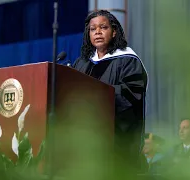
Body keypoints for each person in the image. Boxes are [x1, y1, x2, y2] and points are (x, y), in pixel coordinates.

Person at [72, 10, 148, 179]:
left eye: (103, 27)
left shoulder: (128, 60)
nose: (97, 32)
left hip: (116, 143)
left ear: (114, 32)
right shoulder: (82, 63)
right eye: (93, 29)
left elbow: (132, 95)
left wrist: (96, 95)